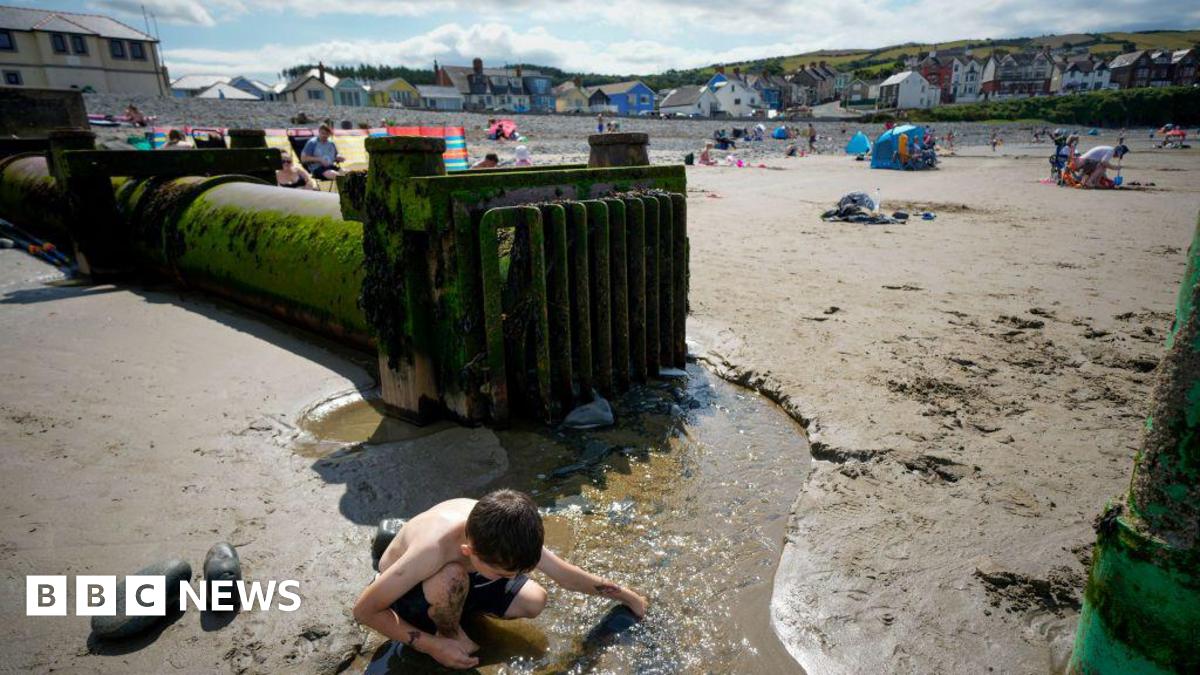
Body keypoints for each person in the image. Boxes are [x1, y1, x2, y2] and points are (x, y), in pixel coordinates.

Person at [353, 490, 648, 670]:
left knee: (535, 600)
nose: (514, 578)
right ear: (470, 551)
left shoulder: (509, 530)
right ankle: (447, 632)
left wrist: (626, 596)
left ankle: (458, 608)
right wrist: (430, 645)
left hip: (466, 576)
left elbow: (567, 576)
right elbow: (364, 611)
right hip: (416, 588)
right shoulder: (433, 550)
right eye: (506, 574)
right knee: (452, 577)